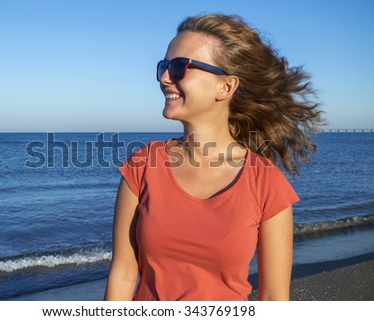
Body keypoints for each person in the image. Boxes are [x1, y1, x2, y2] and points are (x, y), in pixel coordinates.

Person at [104, 14, 322, 301]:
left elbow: (273, 300)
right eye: (164, 66)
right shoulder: (142, 167)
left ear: (226, 87)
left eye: (180, 67)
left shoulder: (266, 182)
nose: (164, 78)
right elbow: (123, 273)